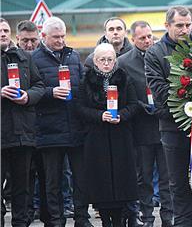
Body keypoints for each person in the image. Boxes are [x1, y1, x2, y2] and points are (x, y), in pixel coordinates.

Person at [145, 5, 192, 227]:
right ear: (167, 25)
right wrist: (190, 105)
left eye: (188, 25)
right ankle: (183, 223)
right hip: (172, 127)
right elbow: (159, 91)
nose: (184, 30)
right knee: (177, 183)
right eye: (179, 25)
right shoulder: (155, 53)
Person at [31, 16, 92, 227]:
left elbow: (82, 86)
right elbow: (32, 91)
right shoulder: (34, 59)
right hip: (49, 129)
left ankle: (82, 219)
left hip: (75, 127)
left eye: (63, 36)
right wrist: (50, 92)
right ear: (44, 36)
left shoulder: (73, 56)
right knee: (53, 181)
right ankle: (56, 220)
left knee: (81, 179)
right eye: (56, 37)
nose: (60, 40)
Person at [118, 21, 173, 227]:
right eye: (142, 38)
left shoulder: (162, 54)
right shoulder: (124, 62)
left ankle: (168, 216)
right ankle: (147, 216)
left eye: (150, 36)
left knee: (168, 177)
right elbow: (122, 93)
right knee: (145, 177)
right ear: (133, 40)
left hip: (164, 123)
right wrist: (139, 105)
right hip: (141, 127)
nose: (147, 40)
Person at [78, 43, 139, 227]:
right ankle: (105, 220)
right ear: (95, 62)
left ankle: (121, 220)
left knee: (122, 182)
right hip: (96, 139)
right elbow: (79, 108)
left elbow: (134, 105)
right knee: (101, 183)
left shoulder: (124, 79)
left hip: (121, 137)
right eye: (102, 60)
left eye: (110, 60)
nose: (106, 63)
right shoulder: (85, 80)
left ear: (115, 61)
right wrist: (99, 116)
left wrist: (121, 115)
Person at [1, 17, 45, 227]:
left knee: (22, 185)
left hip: (23, 133)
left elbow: (39, 85)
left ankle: (21, 223)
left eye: (5, 30)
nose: (2, 34)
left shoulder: (23, 58)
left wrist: (28, 96)